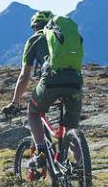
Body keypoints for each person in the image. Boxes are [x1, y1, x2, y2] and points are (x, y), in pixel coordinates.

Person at [9, 10, 84, 163]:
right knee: (71, 130)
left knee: (33, 113)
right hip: (75, 81)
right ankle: (83, 170)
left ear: (35, 26)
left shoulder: (34, 39)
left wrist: (15, 102)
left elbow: (24, 76)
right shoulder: (62, 36)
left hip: (51, 81)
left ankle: (41, 152)